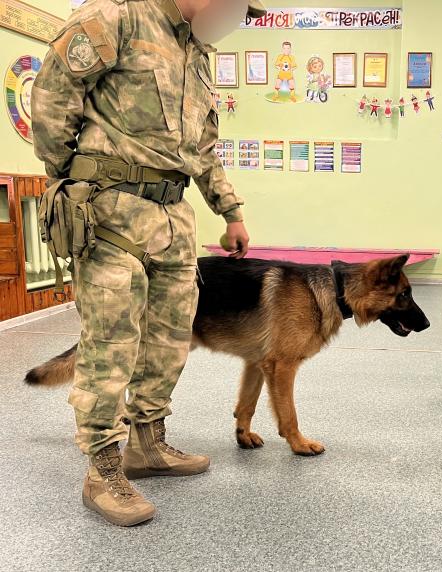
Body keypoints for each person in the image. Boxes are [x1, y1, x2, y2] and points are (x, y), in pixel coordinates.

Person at [31, 0, 264, 527]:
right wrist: (72, 180)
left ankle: (147, 442)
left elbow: (203, 148)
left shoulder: (193, 51)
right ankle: (104, 468)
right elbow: (51, 98)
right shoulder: (117, 16)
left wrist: (230, 211)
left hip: (173, 218)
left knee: (170, 340)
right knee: (109, 345)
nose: (237, 16)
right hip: (110, 213)